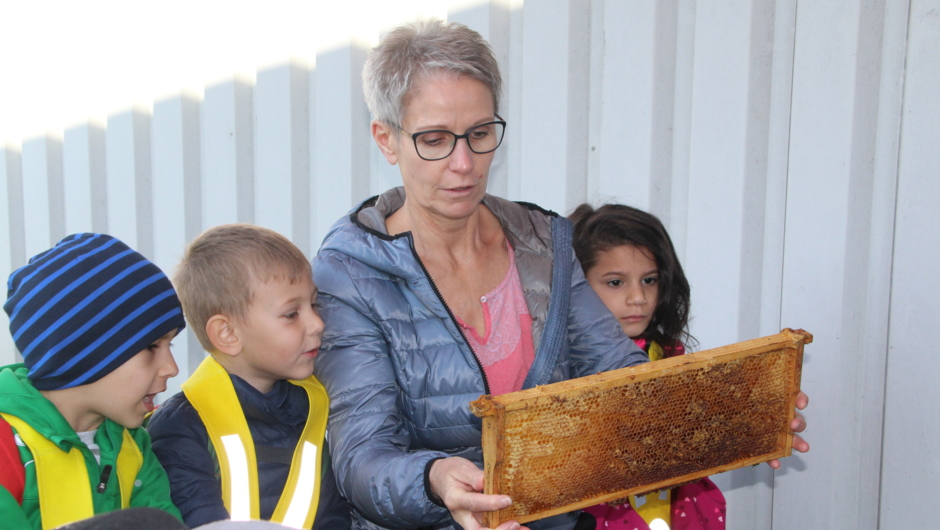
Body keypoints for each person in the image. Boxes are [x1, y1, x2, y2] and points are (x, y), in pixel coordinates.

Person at [311, 20, 652, 530]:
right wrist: (434, 479)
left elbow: (621, 378)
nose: (465, 163)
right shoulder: (349, 275)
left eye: (480, 133)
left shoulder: (545, 245)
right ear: (387, 140)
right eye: (434, 139)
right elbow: (362, 458)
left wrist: (728, 418)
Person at [147, 224, 351, 529]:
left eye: (314, 304)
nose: (317, 323)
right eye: (291, 314)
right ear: (227, 334)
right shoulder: (180, 429)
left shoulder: (314, 410)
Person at [0, 233, 184, 529]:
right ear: (83, 354)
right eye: (151, 347)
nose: (171, 368)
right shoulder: (6, 447)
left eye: (170, 346)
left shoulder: (132, 444)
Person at [569, 203, 724, 530]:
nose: (638, 297)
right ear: (577, 287)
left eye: (649, 280)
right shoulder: (560, 371)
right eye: (616, 283)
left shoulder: (672, 357)